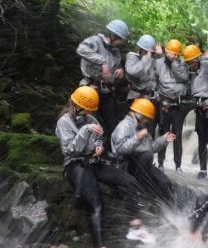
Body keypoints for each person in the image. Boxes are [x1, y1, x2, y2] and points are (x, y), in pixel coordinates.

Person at [55, 86, 150, 248]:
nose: (90, 113)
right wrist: (85, 132)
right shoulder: (63, 122)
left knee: (130, 181)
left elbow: (100, 137)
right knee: (97, 204)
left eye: (91, 111)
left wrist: (99, 147)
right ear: (76, 106)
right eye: (87, 110)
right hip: (75, 165)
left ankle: (135, 224)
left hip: (95, 163)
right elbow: (70, 150)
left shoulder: (91, 119)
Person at [111, 98, 176, 203]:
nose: (148, 121)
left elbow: (150, 148)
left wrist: (163, 140)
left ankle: (169, 208)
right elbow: (120, 150)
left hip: (142, 165)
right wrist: (137, 137)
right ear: (139, 114)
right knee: (146, 157)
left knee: (165, 182)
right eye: (146, 118)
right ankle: (138, 189)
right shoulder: (124, 126)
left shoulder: (141, 126)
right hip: (128, 165)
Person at [76, 19, 129, 137]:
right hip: (90, 88)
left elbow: (111, 77)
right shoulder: (95, 41)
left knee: (112, 122)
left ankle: (114, 151)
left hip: (106, 91)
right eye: (120, 39)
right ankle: (92, 152)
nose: (121, 42)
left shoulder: (116, 52)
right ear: (113, 35)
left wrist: (118, 75)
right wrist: (102, 62)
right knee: (90, 122)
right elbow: (81, 50)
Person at [183, 45, 208, 179]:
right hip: (200, 107)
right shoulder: (197, 73)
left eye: (191, 62)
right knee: (201, 139)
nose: (190, 65)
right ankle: (202, 169)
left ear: (197, 58)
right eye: (188, 63)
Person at [154, 39, 189, 172]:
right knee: (163, 132)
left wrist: (174, 63)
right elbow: (155, 82)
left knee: (177, 135)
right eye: (172, 53)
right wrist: (160, 97)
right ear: (166, 51)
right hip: (164, 104)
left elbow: (184, 80)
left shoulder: (182, 64)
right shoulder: (158, 63)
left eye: (176, 54)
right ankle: (161, 163)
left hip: (178, 105)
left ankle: (178, 165)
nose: (174, 56)